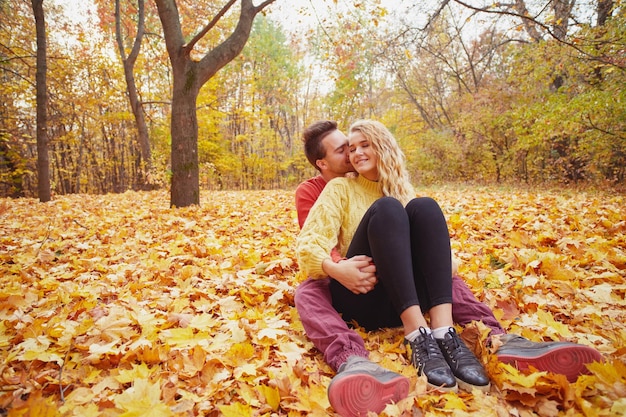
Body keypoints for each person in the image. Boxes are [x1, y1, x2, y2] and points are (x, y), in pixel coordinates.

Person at [293, 120, 603, 417]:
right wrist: (338, 268)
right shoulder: (338, 189)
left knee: (424, 208)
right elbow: (308, 244)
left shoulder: (404, 193)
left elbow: (442, 260)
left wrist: (430, 262)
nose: (355, 153)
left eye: (364, 145)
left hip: (400, 297)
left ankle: (474, 338)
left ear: (383, 148)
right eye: (350, 148)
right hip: (362, 292)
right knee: (379, 219)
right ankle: (363, 358)